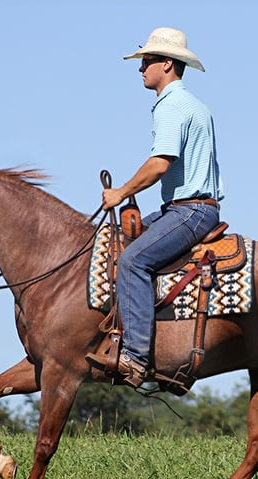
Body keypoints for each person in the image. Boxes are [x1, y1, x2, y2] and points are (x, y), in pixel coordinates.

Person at [87, 27, 222, 387]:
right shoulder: (194, 105)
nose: (140, 68)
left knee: (132, 260)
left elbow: (159, 163)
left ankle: (136, 356)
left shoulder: (172, 105)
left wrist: (121, 193)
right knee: (115, 238)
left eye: (147, 61)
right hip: (184, 208)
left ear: (167, 63)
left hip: (188, 211)